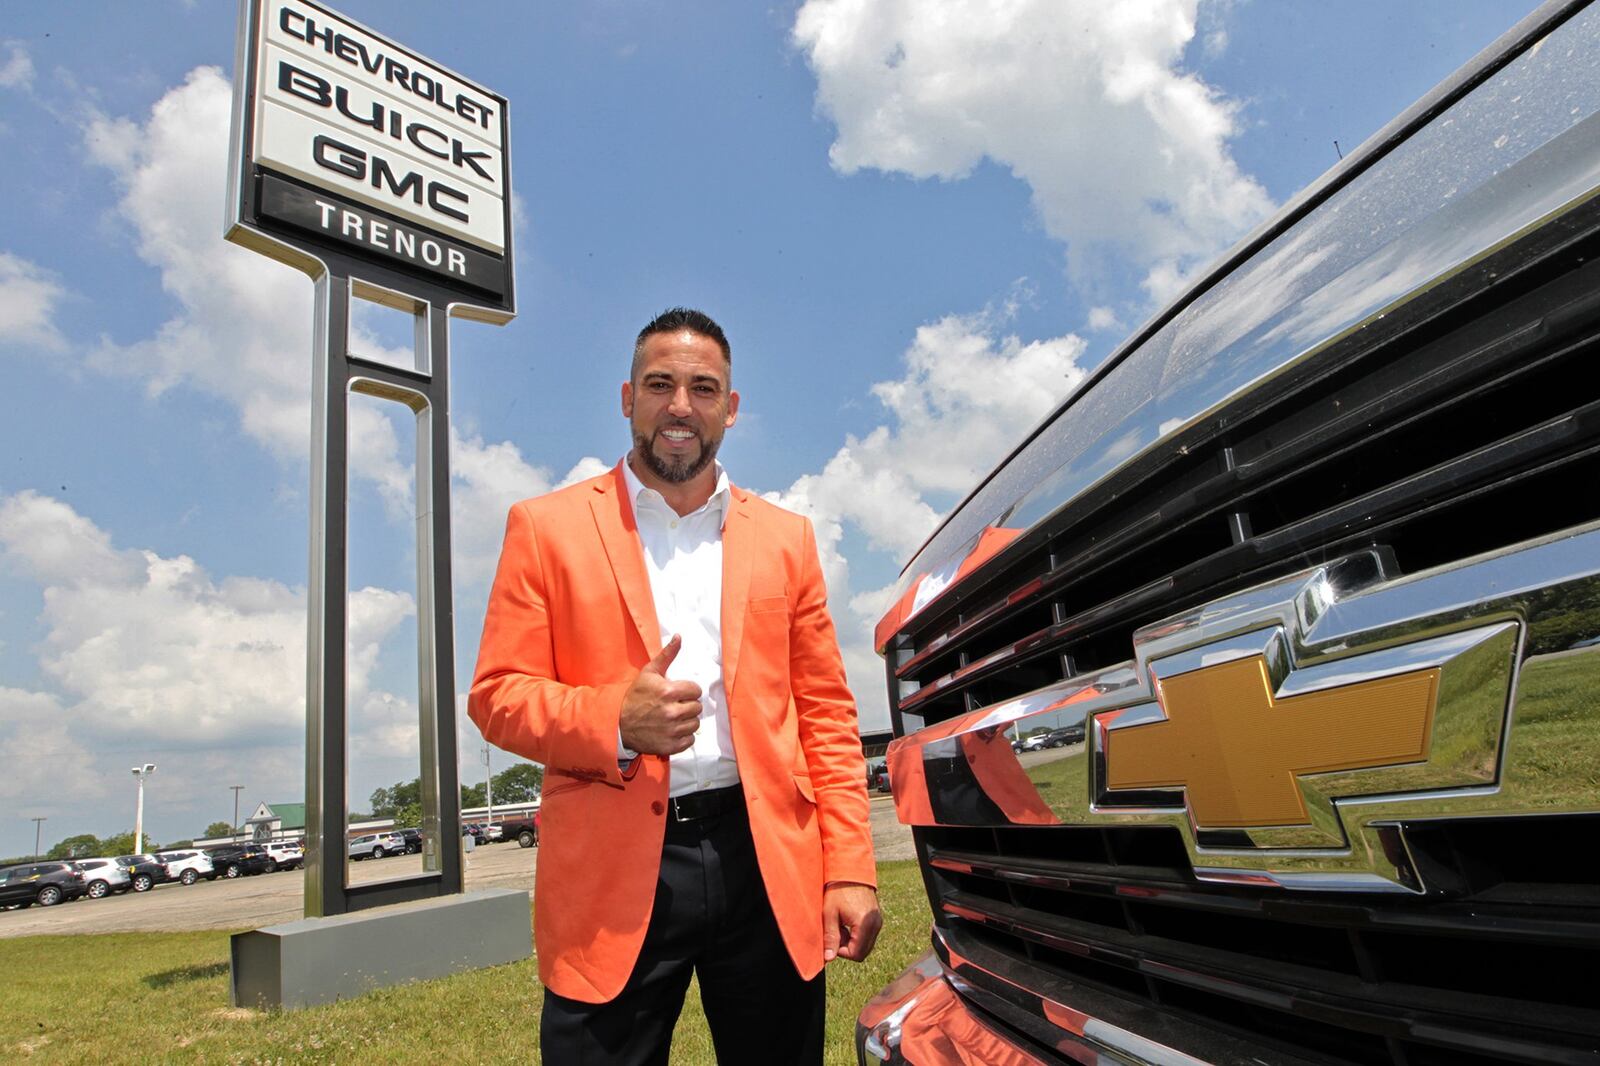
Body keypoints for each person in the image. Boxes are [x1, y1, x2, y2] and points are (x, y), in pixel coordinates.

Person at [469, 307, 881, 1064]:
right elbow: (497, 693)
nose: (680, 405)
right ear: (627, 398)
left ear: (732, 407)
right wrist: (613, 719)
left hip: (762, 859)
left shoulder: (787, 539)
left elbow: (825, 713)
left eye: (703, 387)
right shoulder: (545, 527)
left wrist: (850, 866)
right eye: (660, 384)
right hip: (613, 865)